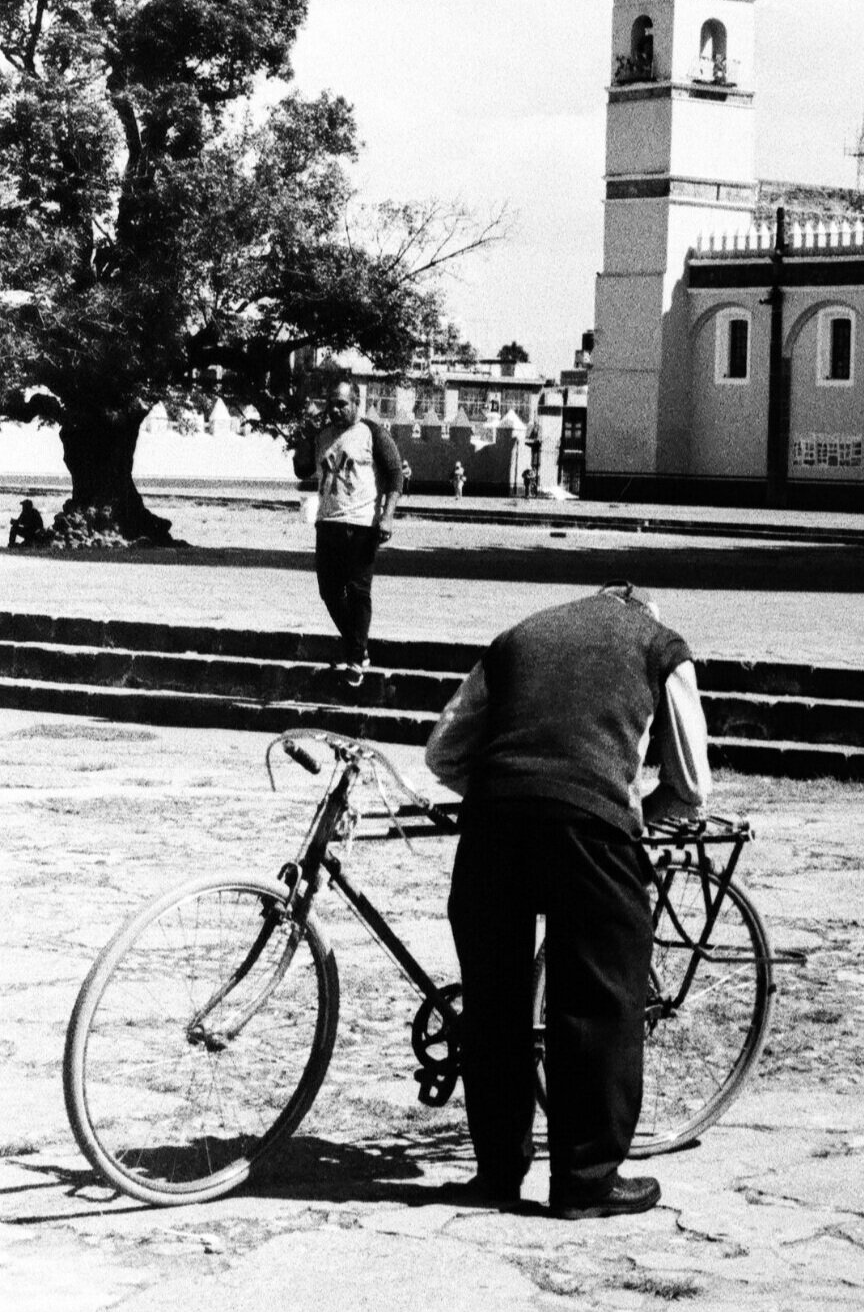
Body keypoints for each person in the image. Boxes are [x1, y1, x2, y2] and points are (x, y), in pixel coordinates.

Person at [425, 582, 713, 1217]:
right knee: (599, 998)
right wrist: (638, 807)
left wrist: (516, 779)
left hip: (492, 822)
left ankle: (497, 1171)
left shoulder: (518, 637)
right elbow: (692, 783)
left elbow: (443, 753)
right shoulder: (662, 648)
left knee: (493, 1001)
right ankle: (585, 1180)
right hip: (588, 826)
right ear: (645, 612)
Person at [291, 380, 404, 685]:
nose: (335, 410)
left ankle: (355, 659)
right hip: (327, 522)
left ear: (356, 402)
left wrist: (387, 516)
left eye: (342, 404)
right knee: (329, 591)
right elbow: (301, 469)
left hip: (362, 524)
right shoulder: (323, 435)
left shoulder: (373, 433)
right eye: (331, 404)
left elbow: (395, 476)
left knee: (358, 591)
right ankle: (359, 648)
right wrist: (305, 435)